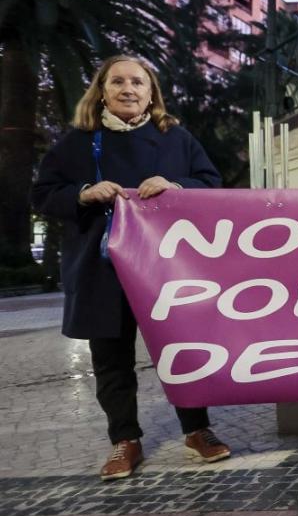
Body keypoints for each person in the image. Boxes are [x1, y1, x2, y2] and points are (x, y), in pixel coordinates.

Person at [32, 55, 232, 480]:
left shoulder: (175, 138)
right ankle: (125, 440)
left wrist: (176, 187)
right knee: (111, 358)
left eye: (138, 82)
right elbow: (43, 193)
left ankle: (197, 430)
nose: (128, 89)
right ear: (101, 90)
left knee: (182, 349)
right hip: (101, 267)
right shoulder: (77, 142)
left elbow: (211, 182)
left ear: (151, 92)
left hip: (168, 268)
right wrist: (83, 193)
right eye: (118, 81)